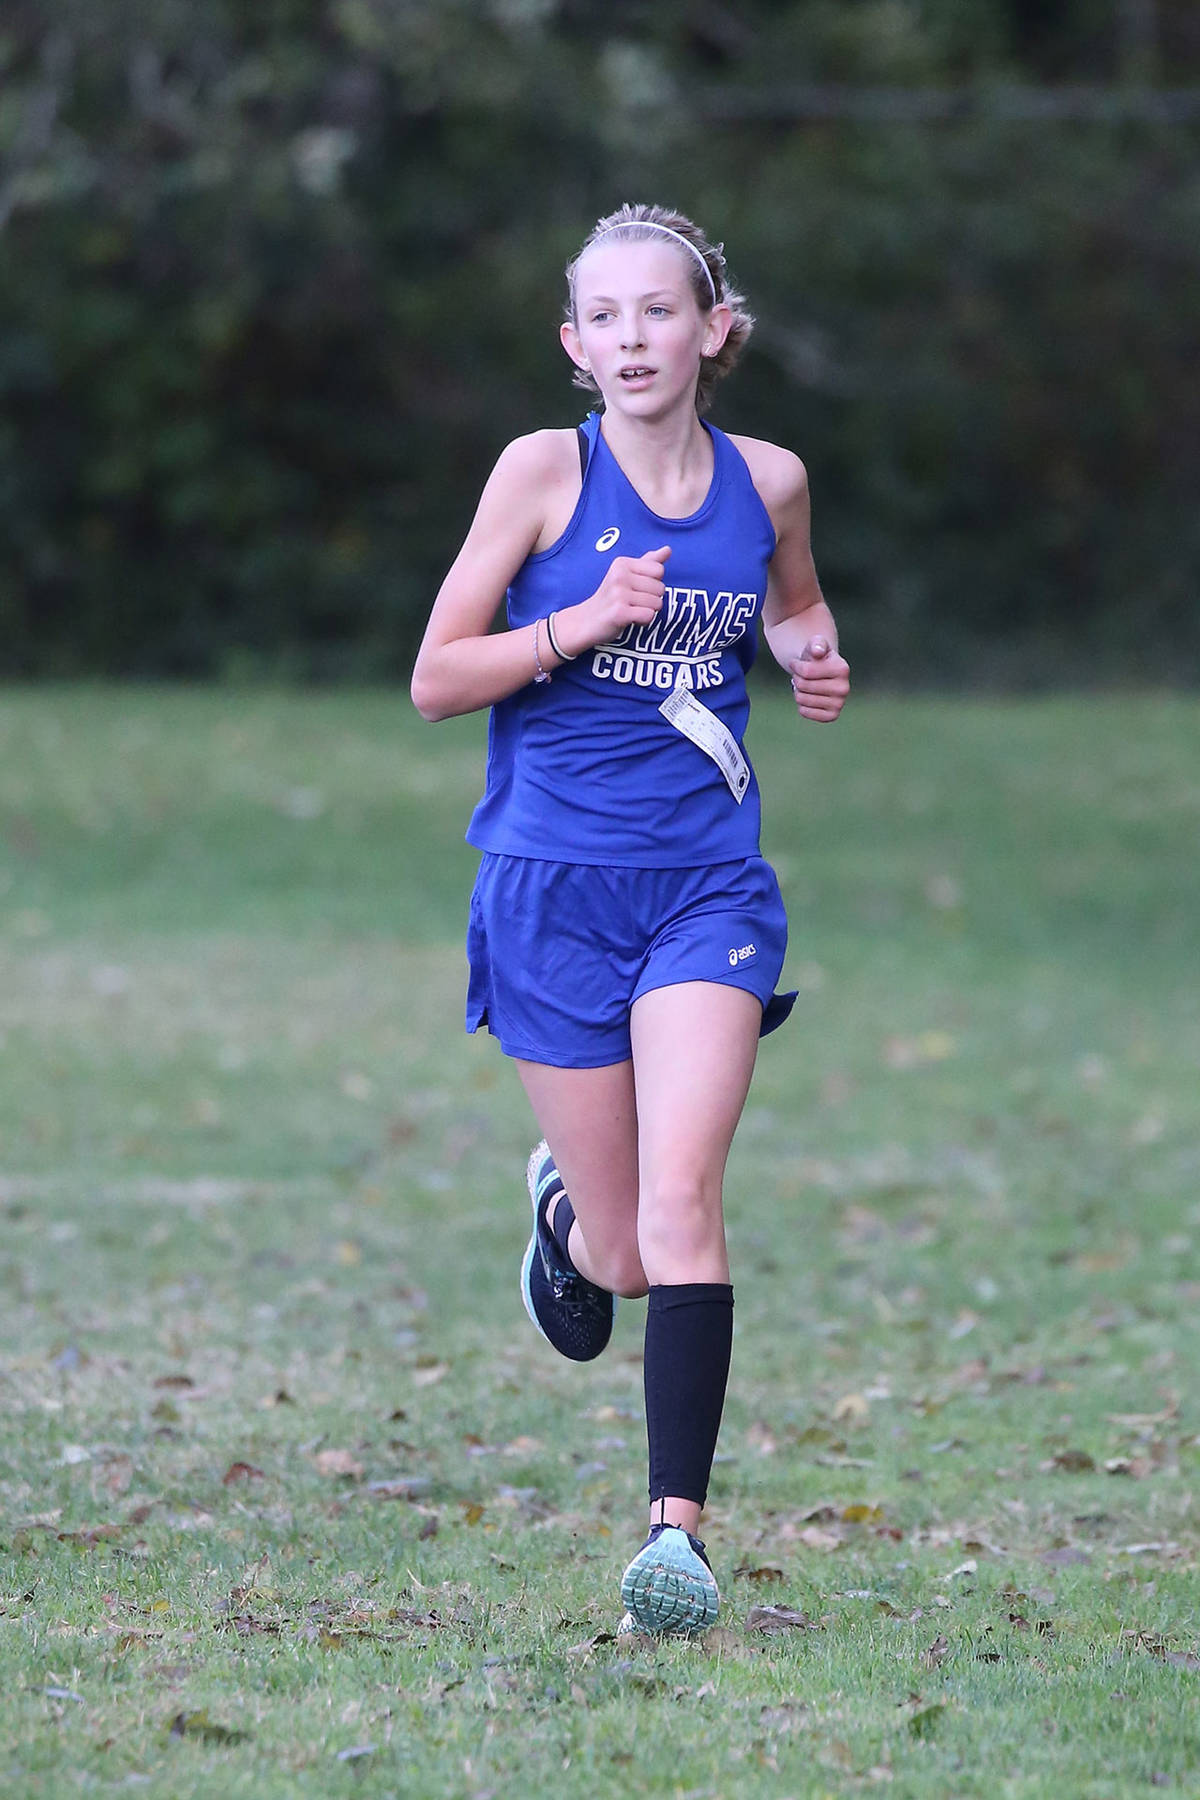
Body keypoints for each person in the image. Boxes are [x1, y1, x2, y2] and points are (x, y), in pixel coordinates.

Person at [411, 202, 849, 1636]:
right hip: (548, 889)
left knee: (687, 1204)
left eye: (660, 311)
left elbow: (789, 605)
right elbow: (437, 677)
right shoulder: (545, 472)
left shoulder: (769, 478)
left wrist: (809, 653)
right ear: (574, 347)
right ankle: (559, 1214)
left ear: (714, 329)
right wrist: (583, 622)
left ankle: (678, 1541)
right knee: (625, 1251)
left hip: (707, 884)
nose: (634, 338)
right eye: (605, 318)